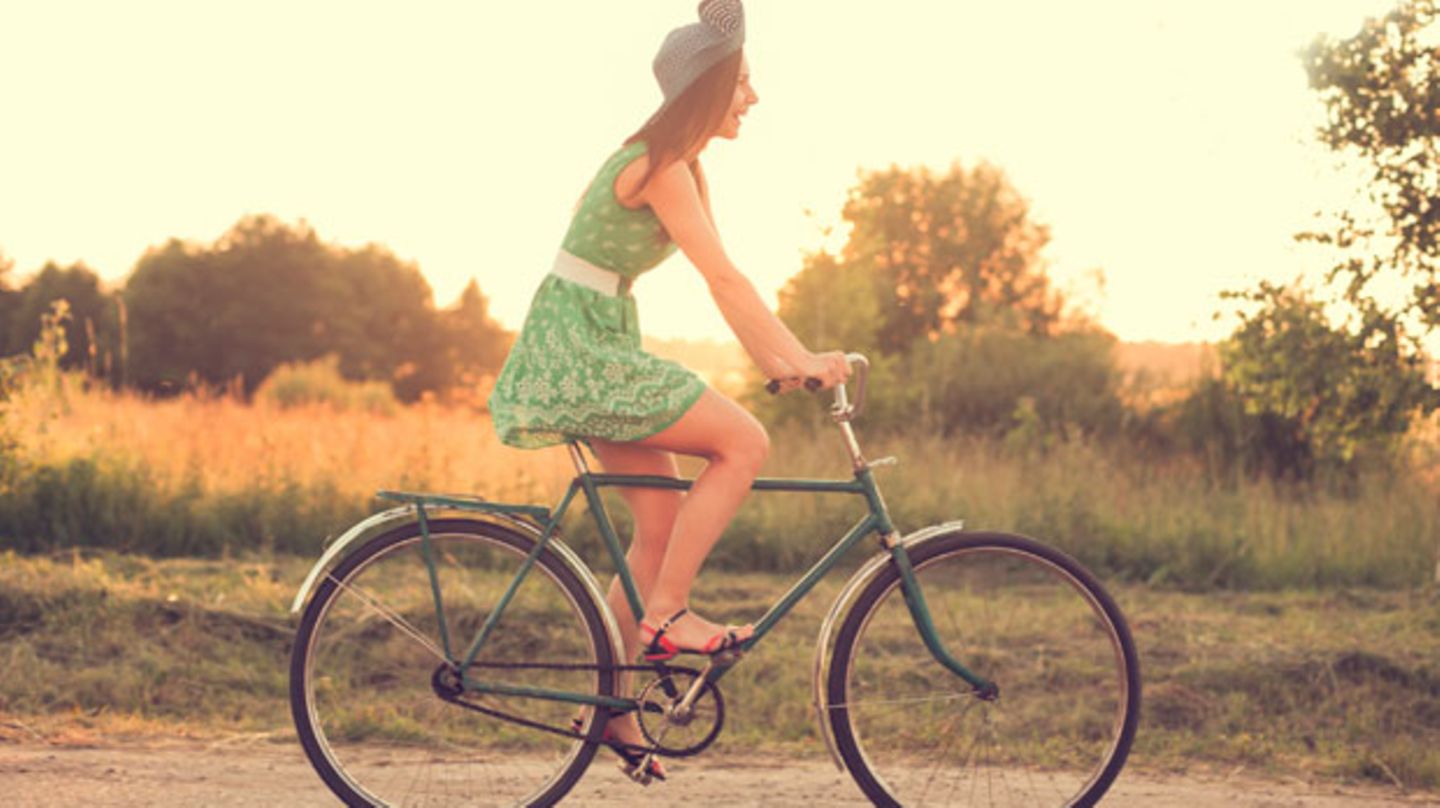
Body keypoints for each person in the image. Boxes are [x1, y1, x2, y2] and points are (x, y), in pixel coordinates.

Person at [486, 0, 850, 781]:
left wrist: (791, 357)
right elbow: (723, 279)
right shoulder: (661, 166)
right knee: (746, 441)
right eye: (744, 84)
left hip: (594, 338)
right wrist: (799, 359)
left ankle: (608, 713)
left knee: (657, 523)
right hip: (579, 346)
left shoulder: (681, 165)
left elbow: (729, 278)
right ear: (711, 87)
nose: (753, 99)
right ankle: (667, 618)